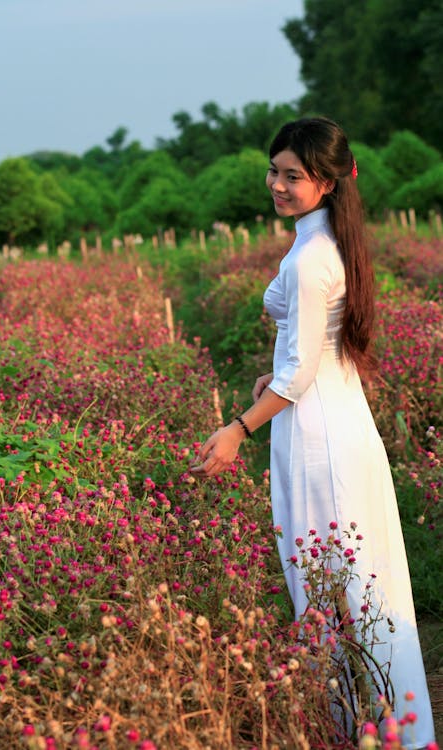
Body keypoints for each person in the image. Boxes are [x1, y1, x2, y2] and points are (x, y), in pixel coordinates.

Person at [191, 117, 435, 748]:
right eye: (274, 171)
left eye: (292, 176)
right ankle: (390, 729)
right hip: (341, 425)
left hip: (319, 443)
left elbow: (299, 372)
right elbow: (311, 356)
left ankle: (357, 729)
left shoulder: (311, 257)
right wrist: (269, 383)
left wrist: (237, 430)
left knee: (333, 593)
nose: (277, 184)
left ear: (328, 181)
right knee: (366, 587)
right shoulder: (329, 240)